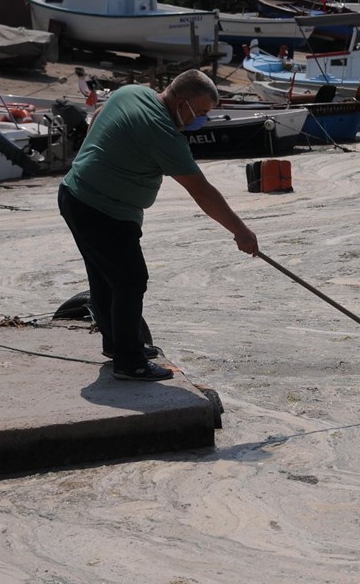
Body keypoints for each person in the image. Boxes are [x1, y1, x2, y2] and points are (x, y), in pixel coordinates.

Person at [58, 69, 258, 380]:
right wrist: (240, 231)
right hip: (101, 210)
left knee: (105, 278)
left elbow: (98, 115)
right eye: (201, 112)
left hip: (75, 195)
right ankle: (129, 362)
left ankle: (119, 344)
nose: (200, 119)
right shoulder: (163, 133)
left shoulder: (132, 92)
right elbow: (201, 190)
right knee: (130, 280)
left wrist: (92, 157)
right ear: (182, 102)